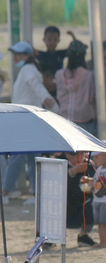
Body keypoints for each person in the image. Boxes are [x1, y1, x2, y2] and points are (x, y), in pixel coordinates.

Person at [5, 41, 56, 202]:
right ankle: (30, 192)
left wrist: (47, 99)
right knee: (29, 158)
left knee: (23, 157)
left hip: (26, 119)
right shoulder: (28, 69)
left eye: (19, 54)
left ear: (28, 56)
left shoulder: (27, 70)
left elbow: (36, 87)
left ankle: (9, 191)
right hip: (26, 119)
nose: (16, 57)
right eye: (15, 54)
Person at [55, 40, 96, 135]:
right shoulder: (89, 76)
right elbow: (91, 98)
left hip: (64, 121)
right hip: (85, 121)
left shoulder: (59, 74)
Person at [65, 152, 97, 247]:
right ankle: (50, 238)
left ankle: (83, 235)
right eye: (74, 155)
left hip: (81, 208)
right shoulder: (61, 164)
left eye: (81, 154)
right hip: (64, 207)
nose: (78, 158)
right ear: (67, 154)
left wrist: (91, 184)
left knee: (93, 205)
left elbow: (98, 187)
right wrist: (72, 172)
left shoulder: (90, 165)